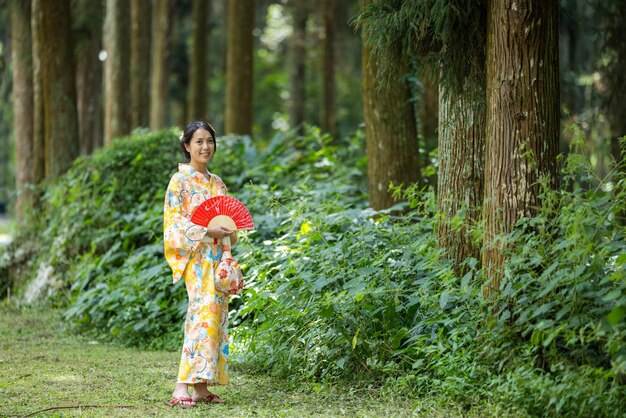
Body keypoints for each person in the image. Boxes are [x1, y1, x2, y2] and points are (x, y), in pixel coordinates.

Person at [163, 121, 237, 408]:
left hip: (218, 259)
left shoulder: (217, 183)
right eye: (198, 142)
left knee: (215, 319)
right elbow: (174, 226)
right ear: (186, 146)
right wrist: (206, 232)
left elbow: (229, 220)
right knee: (199, 317)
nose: (205, 147)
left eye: (209, 141)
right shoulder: (179, 181)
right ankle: (181, 387)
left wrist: (228, 247)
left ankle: (201, 388)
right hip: (196, 259)